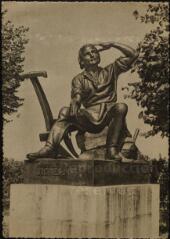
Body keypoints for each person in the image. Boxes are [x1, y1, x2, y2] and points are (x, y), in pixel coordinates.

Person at [27, 42, 138, 161]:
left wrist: (112, 44)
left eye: (94, 51)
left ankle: (111, 149)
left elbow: (133, 54)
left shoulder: (111, 70)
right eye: (87, 54)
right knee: (64, 111)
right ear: (81, 61)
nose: (92, 55)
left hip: (108, 112)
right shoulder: (78, 79)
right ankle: (49, 147)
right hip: (88, 117)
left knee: (121, 107)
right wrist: (75, 101)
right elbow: (77, 95)